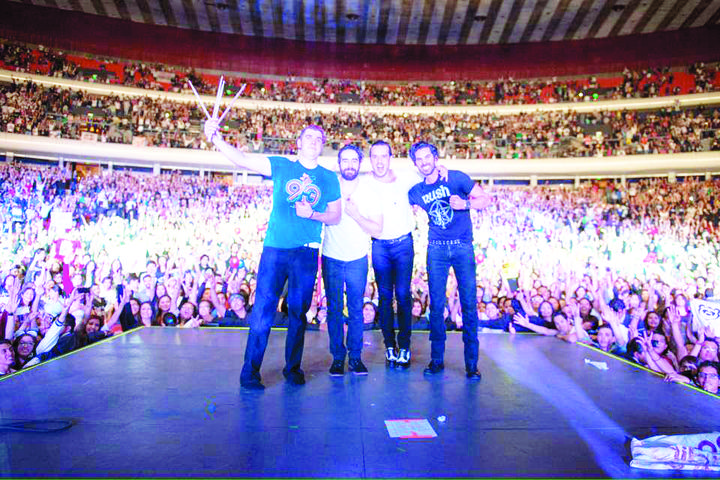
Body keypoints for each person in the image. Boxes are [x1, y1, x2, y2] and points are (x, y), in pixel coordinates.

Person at [204, 117, 341, 390]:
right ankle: (250, 371)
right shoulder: (280, 165)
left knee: (298, 312)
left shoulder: (328, 177)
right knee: (263, 309)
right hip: (276, 250)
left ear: (322, 146)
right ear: (298, 143)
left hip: (306, 253)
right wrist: (216, 139)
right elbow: (242, 160)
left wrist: (312, 213)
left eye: (319, 139)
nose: (314, 142)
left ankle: (292, 368)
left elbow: (335, 216)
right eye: (309, 137)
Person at [407, 141, 490, 379]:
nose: (424, 163)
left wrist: (465, 204)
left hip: (463, 247)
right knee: (436, 306)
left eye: (427, 157)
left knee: (469, 305)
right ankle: (437, 360)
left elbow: (484, 200)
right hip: (436, 249)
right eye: (419, 160)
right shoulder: (415, 191)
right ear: (415, 164)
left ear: (435, 157)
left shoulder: (456, 178)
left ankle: (471, 364)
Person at [366, 141, 445, 368]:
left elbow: (429, 170)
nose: (379, 160)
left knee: (402, 295)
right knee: (383, 296)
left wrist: (443, 169)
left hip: (403, 245)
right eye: (375, 156)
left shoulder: (406, 177)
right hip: (379, 245)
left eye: (384, 156)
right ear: (370, 159)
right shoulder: (366, 183)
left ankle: (405, 346)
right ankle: (390, 345)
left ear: (390, 157)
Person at [322, 145, 382, 376]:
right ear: (338, 164)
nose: (349, 164)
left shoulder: (369, 191)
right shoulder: (330, 187)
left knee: (356, 309)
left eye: (353, 161)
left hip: (357, 258)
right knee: (334, 309)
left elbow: (377, 229)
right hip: (332, 257)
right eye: (344, 160)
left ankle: (355, 357)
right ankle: (338, 358)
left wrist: (356, 215)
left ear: (359, 163)